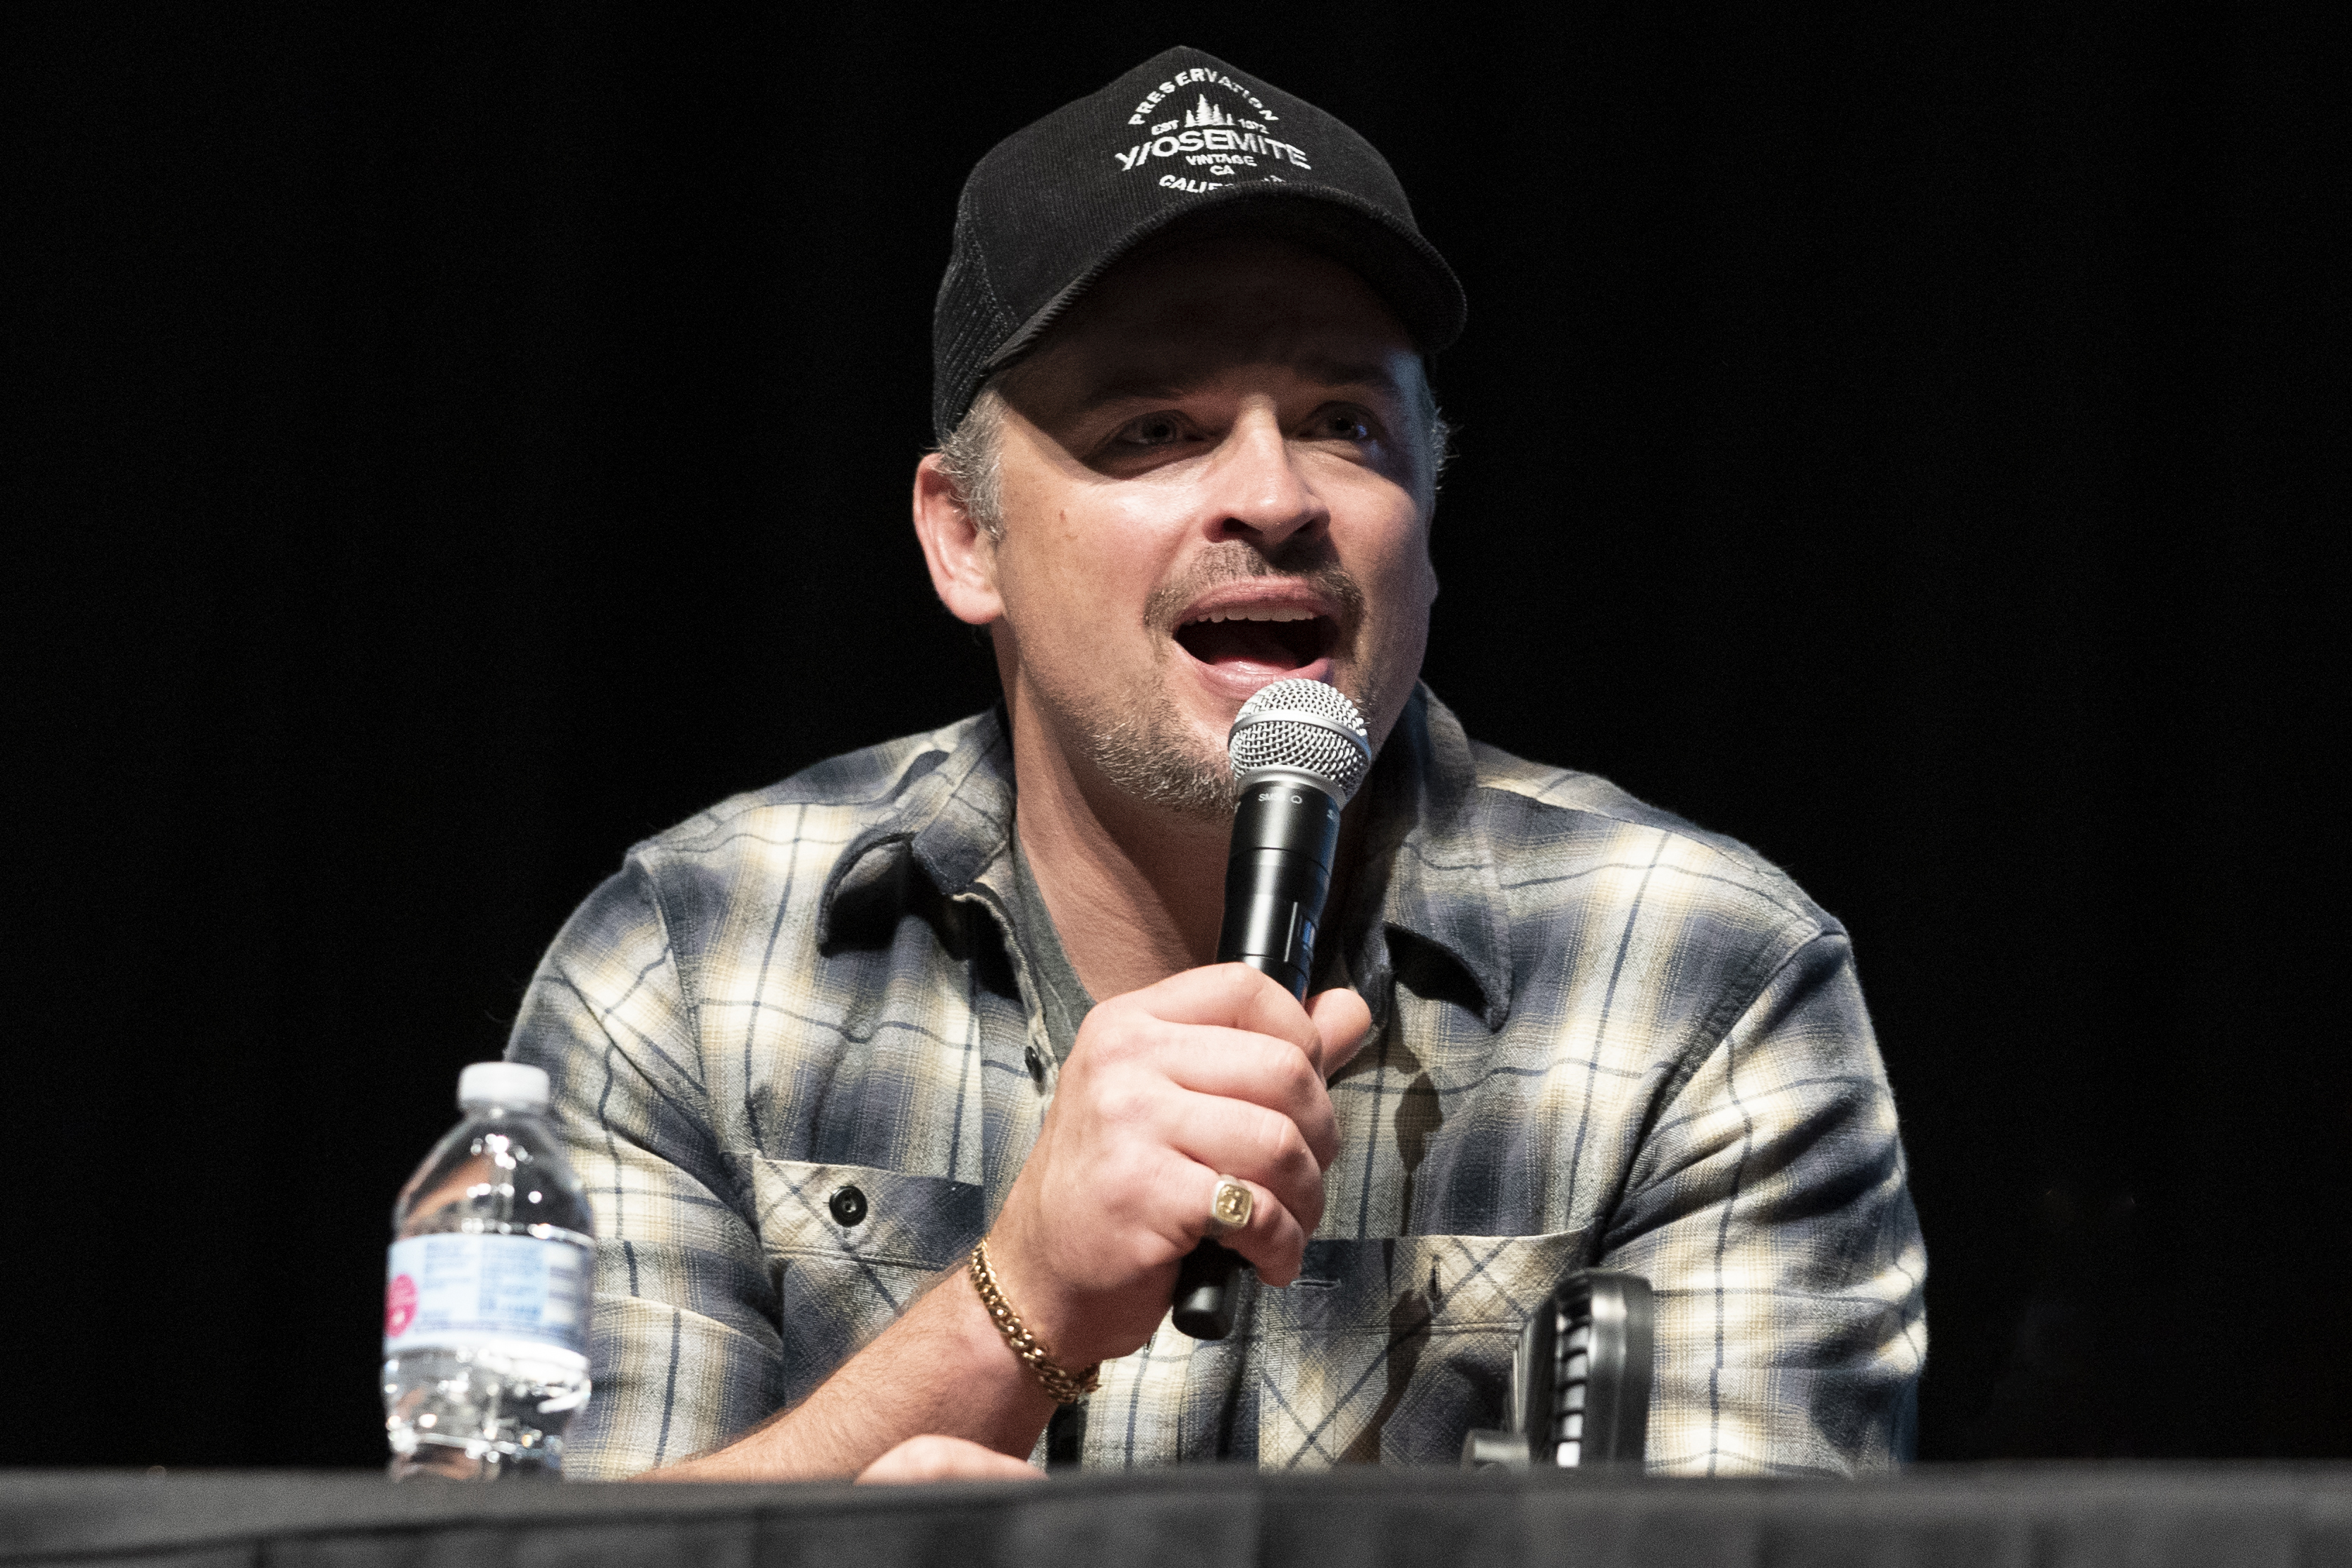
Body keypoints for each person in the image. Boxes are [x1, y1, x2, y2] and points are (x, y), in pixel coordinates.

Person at [506, 47, 1926, 1483]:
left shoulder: (1698, 977)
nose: (1275, 494)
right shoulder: (689, 963)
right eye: (1156, 429)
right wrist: (1015, 1307)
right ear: (967, 537)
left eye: (1344, 424)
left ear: (1431, 519)